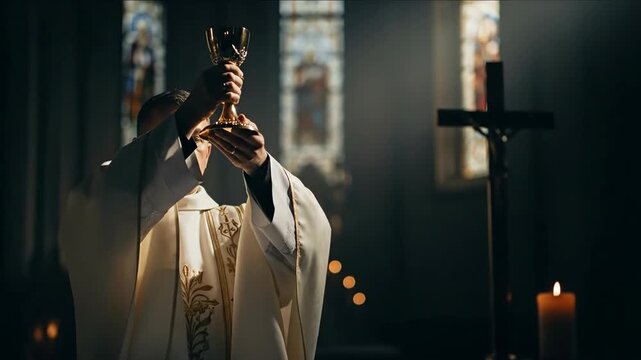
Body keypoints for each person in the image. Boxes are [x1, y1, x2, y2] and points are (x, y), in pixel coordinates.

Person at [60, 63, 331, 360]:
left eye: (197, 136)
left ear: (213, 145)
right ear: (140, 149)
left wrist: (260, 169)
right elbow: (101, 202)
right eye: (173, 136)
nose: (184, 147)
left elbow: (301, 243)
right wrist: (193, 110)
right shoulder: (113, 209)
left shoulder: (241, 226)